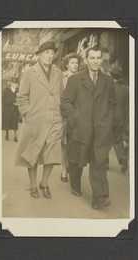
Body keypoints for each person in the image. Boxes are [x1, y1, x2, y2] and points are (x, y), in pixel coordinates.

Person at [61, 46, 117, 210]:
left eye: (98, 58)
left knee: (99, 163)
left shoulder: (108, 81)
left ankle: (99, 198)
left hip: (101, 130)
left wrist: (109, 122)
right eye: (92, 58)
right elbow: (65, 102)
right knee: (76, 161)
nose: (95, 61)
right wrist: (75, 118)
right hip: (80, 130)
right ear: (86, 60)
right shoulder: (75, 80)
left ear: (102, 60)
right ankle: (75, 184)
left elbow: (113, 103)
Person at [15, 41, 63, 199]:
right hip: (35, 120)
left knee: (52, 154)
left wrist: (60, 114)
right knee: (32, 154)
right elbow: (22, 96)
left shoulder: (57, 72)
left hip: (54, 119)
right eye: (46, 53)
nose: (49, 56)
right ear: (39, 54)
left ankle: (44, 183)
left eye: (52, 53)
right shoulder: (30, 72)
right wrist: (28, 114)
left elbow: (61, 95)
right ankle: (33, 185)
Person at [60, 52, 81, 182]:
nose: (75, 65)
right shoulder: (62, 78)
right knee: (64, 144)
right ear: (67, 65)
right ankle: (64, 169)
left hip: (78, 115)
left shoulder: (82, 78)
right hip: (64, 115)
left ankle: (72, 167)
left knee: (75, 144)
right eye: (72, 63)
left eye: (77, 63)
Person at [110, 65, 129, 174]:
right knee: (118, 140)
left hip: (110, 118)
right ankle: (122, 158)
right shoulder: (126, 89)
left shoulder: (109, 88)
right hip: (122, 118)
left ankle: (105, 161)